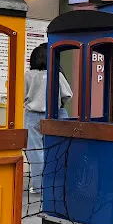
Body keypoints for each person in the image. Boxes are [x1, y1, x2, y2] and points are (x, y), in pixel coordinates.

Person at [24, 44, 73, 193]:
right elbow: (68, 95)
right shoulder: (56, 74)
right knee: (58, 150)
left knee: (36, 152)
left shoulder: (28, 75)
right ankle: (58, 183)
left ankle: (38, 185)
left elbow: (20, 95)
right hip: (55, 114)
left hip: (32, 116)